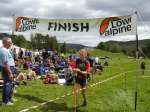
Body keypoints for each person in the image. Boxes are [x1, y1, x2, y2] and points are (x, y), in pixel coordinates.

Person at [0, 37, 15, 105]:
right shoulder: (3, 50)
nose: (11, 43)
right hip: (7, 69)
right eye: (10, 42)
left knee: (10, 84)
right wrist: (10, 72)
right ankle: (5, 101)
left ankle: (9, 98)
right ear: (5, 42)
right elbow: (5, 63)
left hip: (10, 68)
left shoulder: (6, 49)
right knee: (8, 84)